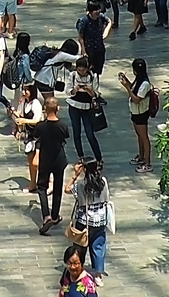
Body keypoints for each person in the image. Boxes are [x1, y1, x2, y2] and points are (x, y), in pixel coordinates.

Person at [33, 98, 70, 235]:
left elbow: (36, 137)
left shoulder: (41, 126)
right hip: (59, 160)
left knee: (41, 187)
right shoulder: (62, 126)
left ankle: (46, 216)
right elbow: (66, 136)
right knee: (58, 187)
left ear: (45, 108)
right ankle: (55, 215)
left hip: (45, 160)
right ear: (58, 108)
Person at [71, 158, 111, 276]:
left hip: (84, 221)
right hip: (101, 220)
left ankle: (78, 271)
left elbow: (67, 189)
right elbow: (107, 198)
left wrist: (75, 175)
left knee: (80, 247)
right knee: (98, 247)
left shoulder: (81, 185)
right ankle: (98, 274)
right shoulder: (103, 181)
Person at [120, 57, 156, 171]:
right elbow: (134, 88)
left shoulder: (145, 83)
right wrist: (127, 82)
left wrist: (127, 88)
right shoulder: (139, 80)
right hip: (135, 112)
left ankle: (148, 163)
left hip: (141, 113)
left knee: (144, 137)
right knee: (139, 135)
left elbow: (136, 99)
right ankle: (141, 156)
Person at [67, 60, 104, 164]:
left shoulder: (93, 77)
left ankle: (99, 158)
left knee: (90, 134)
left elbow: (96, 94)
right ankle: (81, 156)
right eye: (79, 70)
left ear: (87, 69)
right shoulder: (72, 75)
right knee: (76, 132)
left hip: (87, 108)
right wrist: (75, 90)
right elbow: (68, 91)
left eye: (83, 70)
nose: (81, 72)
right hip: (74, 106)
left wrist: (90, 91)